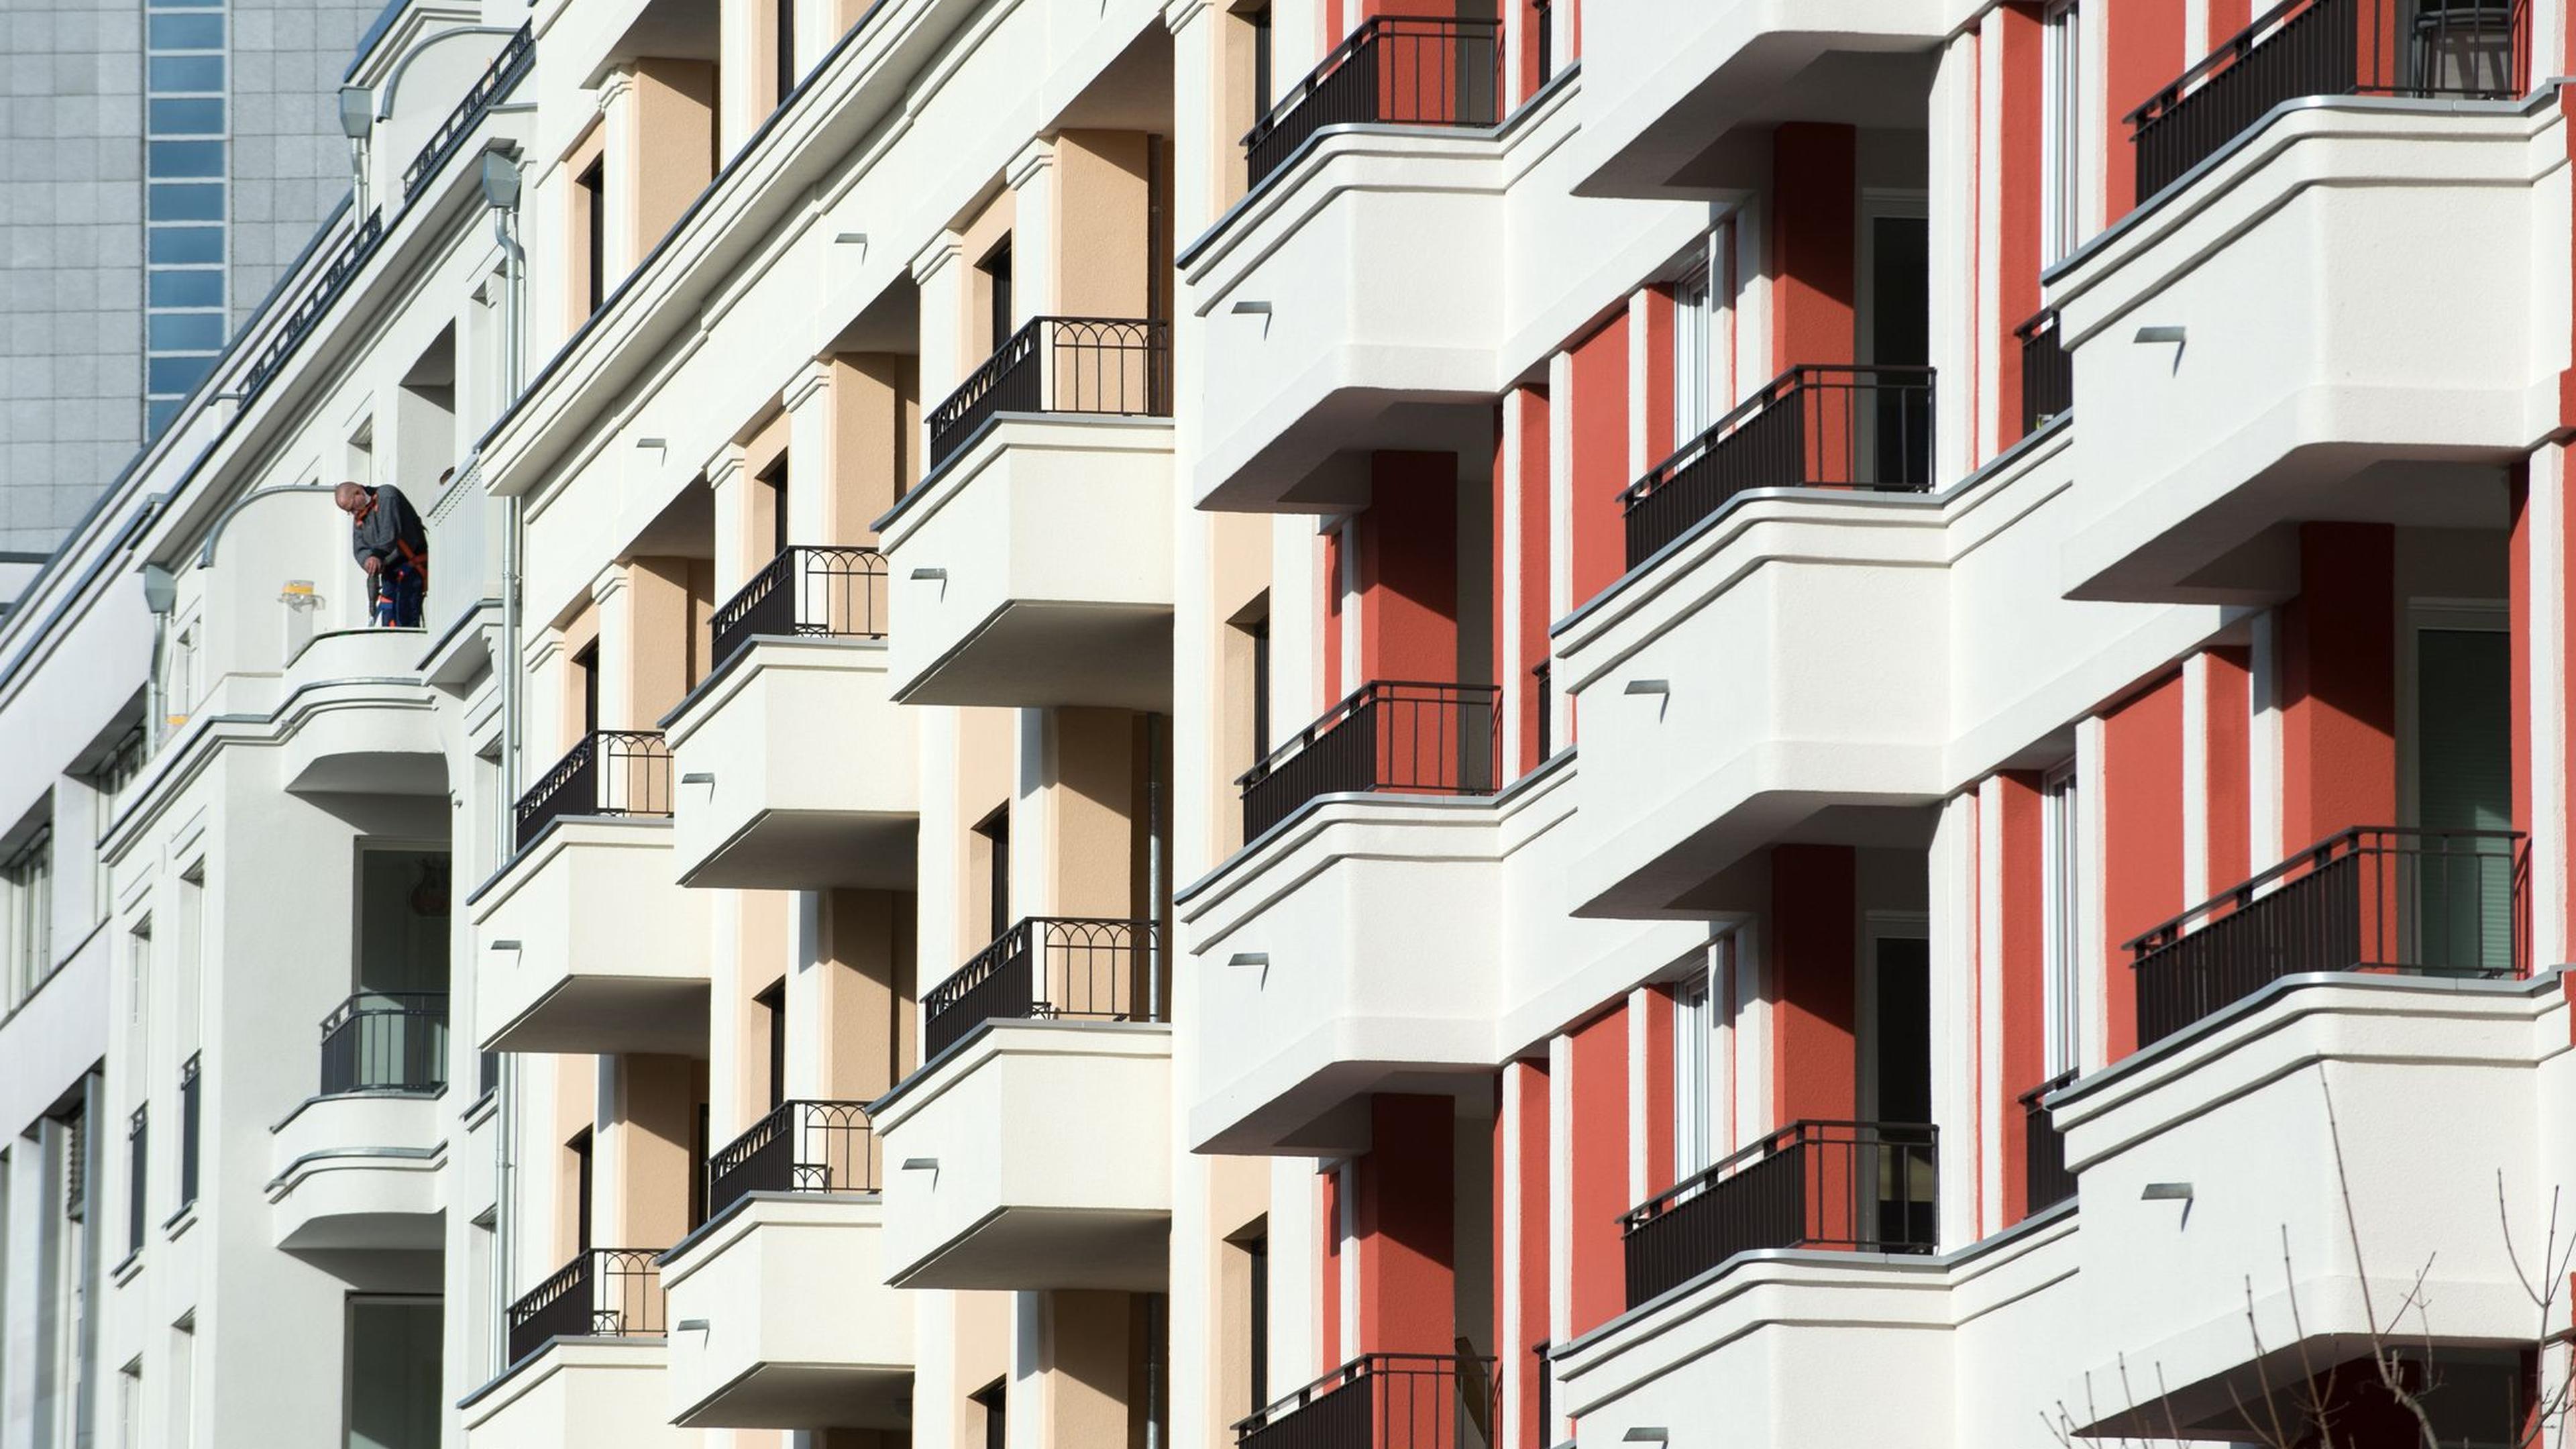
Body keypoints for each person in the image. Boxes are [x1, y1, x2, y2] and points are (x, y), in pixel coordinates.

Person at [335, 478, 431, 628]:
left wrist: (377, 555)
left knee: (405, 617)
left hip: (410, 565)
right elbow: (359, 548)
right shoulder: (361, 518)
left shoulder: (386, 495)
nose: (353, 512)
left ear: (359, 492)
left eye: (352, 507)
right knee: (389, 620)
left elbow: (390, 531)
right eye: (349, 511)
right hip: (390, 572)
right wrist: (368, 561)